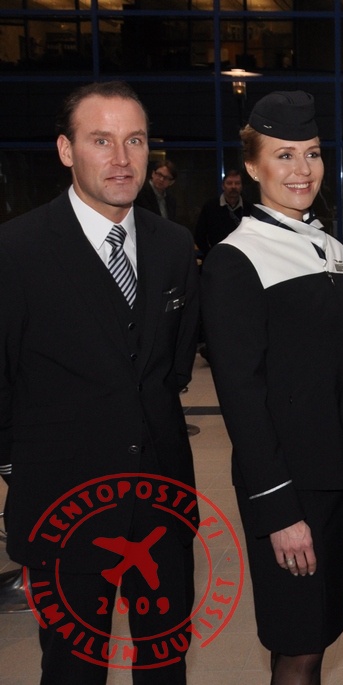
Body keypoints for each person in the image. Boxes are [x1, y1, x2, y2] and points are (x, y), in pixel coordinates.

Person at [0, 81, 199, 683]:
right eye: (101, 140)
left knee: (165, 663)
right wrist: (17, 470)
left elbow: (172, 368)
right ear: (66, 150)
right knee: (72, 669)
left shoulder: (173, 246)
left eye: (134, 141)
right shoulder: (17, 250)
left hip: (161, 505)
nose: (121, 158)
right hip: (63, 508)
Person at [201, 91, 343, 685]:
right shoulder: (236, 258)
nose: (303, 170)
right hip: (290, 486)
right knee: (297, 647)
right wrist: (278, 510)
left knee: (318, 633)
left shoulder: (329, 247)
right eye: (284, 155)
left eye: (312, 153)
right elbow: (240, 395)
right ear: (252, 166)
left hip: (338, 474)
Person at [194, 169, 246, 253]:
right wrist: (210, 254)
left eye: (237, 183)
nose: (233, 187)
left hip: (243, 256)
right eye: (229, 183)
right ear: (223, 186)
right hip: (217, 256)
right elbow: (199, 236)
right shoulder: (210, 207)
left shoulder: (248, 208)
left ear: (241, 186)